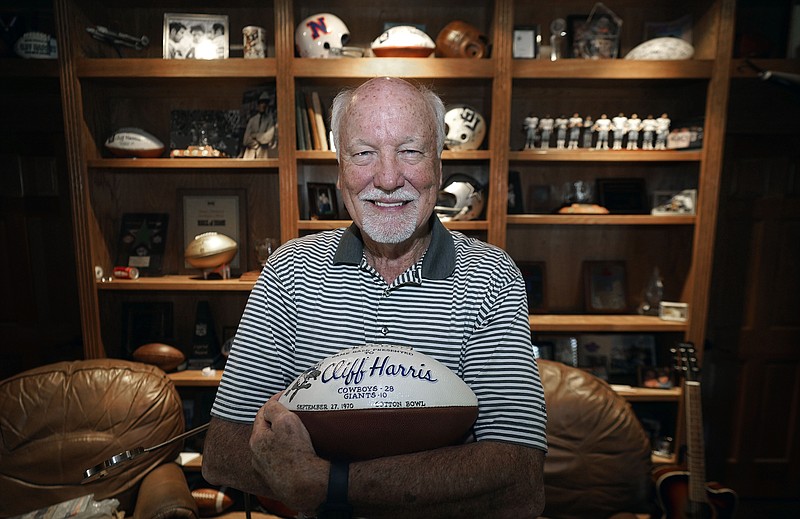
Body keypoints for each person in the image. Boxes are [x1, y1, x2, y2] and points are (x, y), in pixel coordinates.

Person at [202, 77, 547, 519]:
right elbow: (221, 450)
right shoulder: (289, 271)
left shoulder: (491, 277)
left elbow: (520, 480)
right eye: (364, 153)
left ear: (439, 167)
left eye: (410, 151)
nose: (387, 178)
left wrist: (331, 483)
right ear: (340, 171)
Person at [242, 91, 277, 159]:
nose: (263, 105)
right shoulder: (252, 120)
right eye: (261, 103)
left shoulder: (270, 121)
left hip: (262, 155)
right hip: (250, 156)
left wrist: (255, 135)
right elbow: (246, 140)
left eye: (265, 103)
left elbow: (267, 139)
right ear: (258, 105)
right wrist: (257, 145)